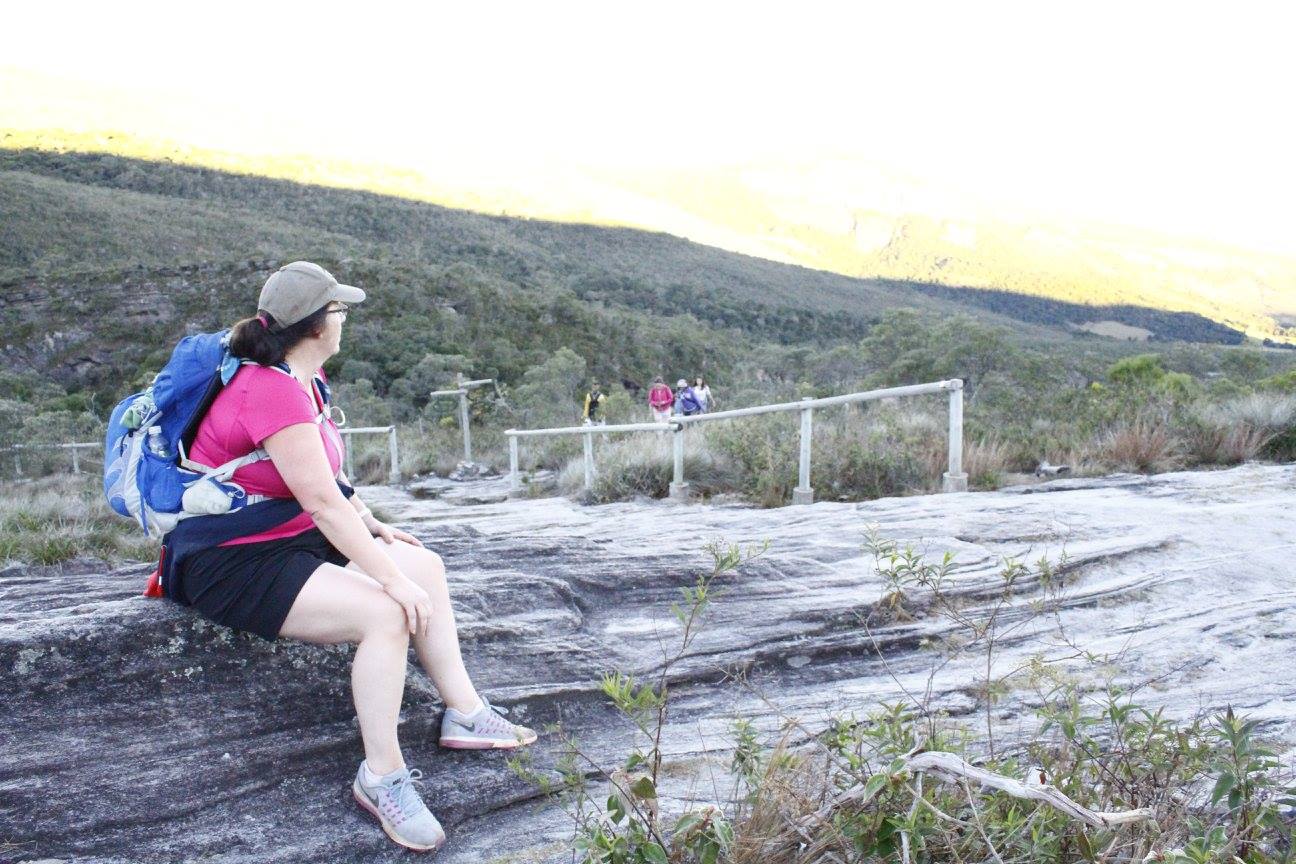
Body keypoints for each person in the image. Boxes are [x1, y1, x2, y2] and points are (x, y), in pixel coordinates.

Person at [166, 261, 534, 853]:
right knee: (386, 613)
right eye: (338, 310)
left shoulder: (302, 380)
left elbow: (330, 483)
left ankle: (465, 714)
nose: (344, 320)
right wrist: (389, 580)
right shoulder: (268, 390)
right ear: (316, 325)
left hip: (285, 537)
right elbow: (320, 503)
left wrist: (376, 527)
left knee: (426, 566)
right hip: (232, 560)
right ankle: (381, 777)